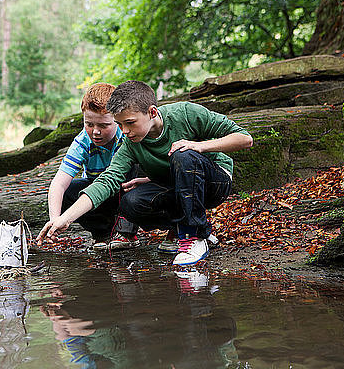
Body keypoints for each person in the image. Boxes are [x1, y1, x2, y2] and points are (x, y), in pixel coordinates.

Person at [38, 80, 253, 265]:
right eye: (120, 124)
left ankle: (192, 237)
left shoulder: (186, 114)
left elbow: (245, 139)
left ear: (152, 112)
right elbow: (107, 181)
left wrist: (200, 146)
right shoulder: (131, 143)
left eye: (130, 123)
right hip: (175, 184)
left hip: (214, 181)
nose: (124, 132)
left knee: (183, 153)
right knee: (131, 201)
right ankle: (202, 232)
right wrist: (64, 219)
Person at [47, 82, 145, 251]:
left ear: (117, 120)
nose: (95, 132)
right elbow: (59, 183)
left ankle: (127, 232)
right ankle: (103, 233)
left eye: (103, 125)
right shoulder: (82, 142)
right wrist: (55, 219)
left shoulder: (128, 136)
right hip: (96, 195)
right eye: (89, 124)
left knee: (134, 168)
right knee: (68, 191)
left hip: (127, 190)